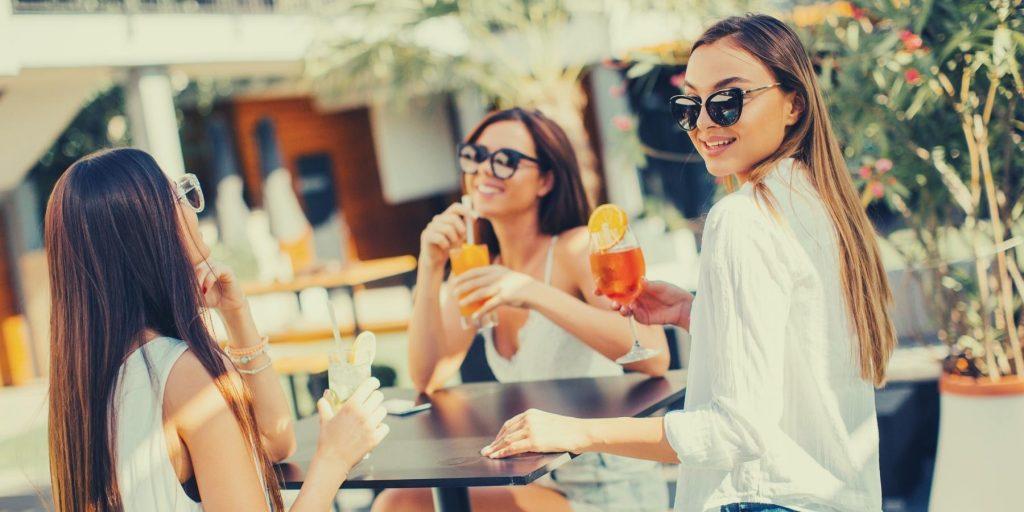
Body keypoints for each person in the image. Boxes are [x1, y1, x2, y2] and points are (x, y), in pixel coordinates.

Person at [480, 14, 898, 512]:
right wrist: (695, 313)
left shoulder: (743, 218)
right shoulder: (822, 207)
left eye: (727, 100)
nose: (703, 123)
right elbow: (800, 352)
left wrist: (577, 432)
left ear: (794, 103)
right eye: (690, 105)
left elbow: (737, 431)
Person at [46, 148, 389, 511]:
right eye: (178, 195)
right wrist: (334, 458)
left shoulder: (87, 388)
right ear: (151, 233)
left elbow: (274, 441)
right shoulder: (182, 376)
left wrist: (237, 317)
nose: (192, 207)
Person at [372, 108, 670, 511]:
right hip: (540, 479)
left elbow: (652, 355)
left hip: (609, 486)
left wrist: (531, 292)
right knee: (401, 503)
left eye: (505, 161)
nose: (483, 171)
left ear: (545, 180)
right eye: (475, 156)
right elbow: (428, 376)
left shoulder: (573, 249)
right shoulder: (480, 266)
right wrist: (430, 265)